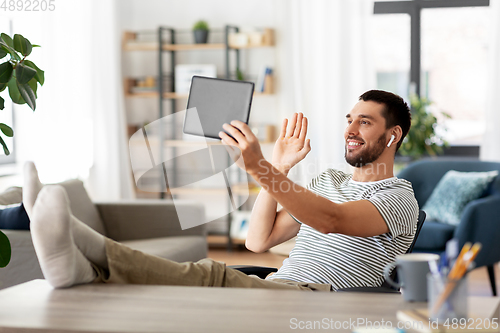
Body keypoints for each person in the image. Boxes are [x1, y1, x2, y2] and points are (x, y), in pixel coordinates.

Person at [26, 89, 418, 291]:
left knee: (204, 277)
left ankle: (83, 250)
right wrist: (278, 167)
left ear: (392, 135)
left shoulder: (400, 199)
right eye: (349, 120)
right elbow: (258, 240)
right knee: (188, 288)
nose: (349, 130)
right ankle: (83, 267)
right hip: (276, 286)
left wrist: (260, 168)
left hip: (316, 297)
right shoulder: (326, 182)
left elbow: (332, 220)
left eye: (364, 123)